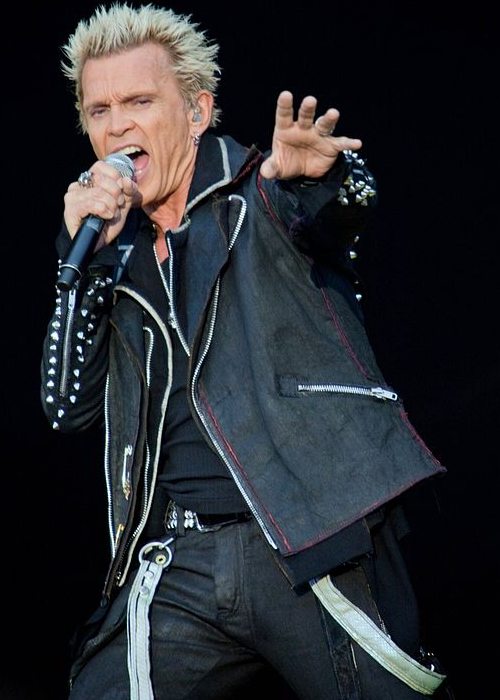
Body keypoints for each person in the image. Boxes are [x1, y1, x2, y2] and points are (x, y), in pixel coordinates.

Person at [40, 4, 452, 699]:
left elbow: (336, 213)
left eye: (140, 101)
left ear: (198, 111)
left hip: (305, 530)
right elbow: (63, 406)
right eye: (99, 107)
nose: (116, 124)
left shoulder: (261, 191)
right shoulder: (112, 254)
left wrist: (320, 180)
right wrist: (75, 257)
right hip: (180, 558)